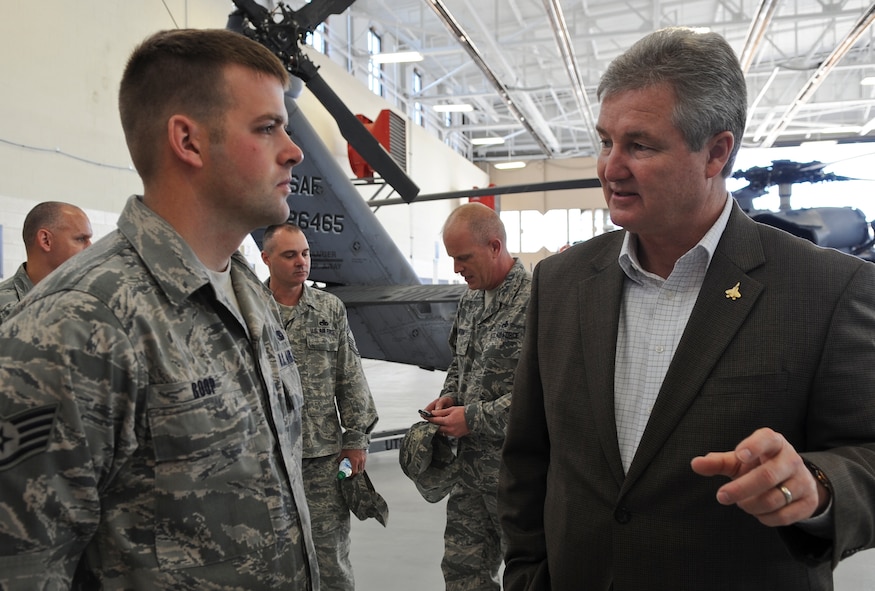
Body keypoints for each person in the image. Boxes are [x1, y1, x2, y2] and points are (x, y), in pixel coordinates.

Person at [498, 26, 875, 591]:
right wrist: (528, 577)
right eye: (606, 141)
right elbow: (528, 458)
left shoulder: (829, 288)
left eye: (640, 145)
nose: (610, 167)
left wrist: (817, 484)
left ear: (715, 152)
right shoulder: (560, 282)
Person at [0, 29, 320, 590]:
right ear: (188, 141)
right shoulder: (78, 326)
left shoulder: (247, 294)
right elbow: (23, 568)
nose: (293, 151)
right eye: (267, 127)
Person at [261, 221, 379, 591]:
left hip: (323, 458)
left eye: (306, 253)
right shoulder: (250, 310)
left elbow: (349, 375)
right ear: (266, 258)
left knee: (331, 558)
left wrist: (356, 438)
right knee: (273, 556)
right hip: (267, 458)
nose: (302, 262)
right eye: (290, 254)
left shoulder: (329, 309)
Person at [422, 202, 531, 590]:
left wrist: (474, 419)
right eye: (452, 258)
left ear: (495, 246)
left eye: (463, 258)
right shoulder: (471, 299)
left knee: (528, 575)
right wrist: (449, 396)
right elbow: (458, 362)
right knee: (462, 570)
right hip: (468, 471)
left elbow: (540, 394)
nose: (456, 269)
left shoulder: (536, 302)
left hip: (517, 475)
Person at [0, 201, 92, 323]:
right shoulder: (5, 307)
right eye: (80, 239)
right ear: (46, 240)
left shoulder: (88, 300)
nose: (90, 247)